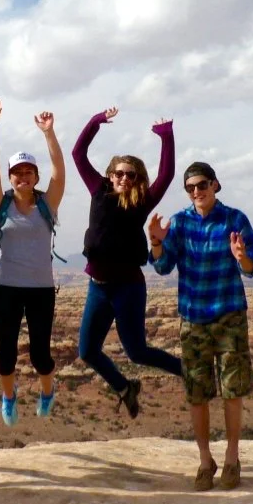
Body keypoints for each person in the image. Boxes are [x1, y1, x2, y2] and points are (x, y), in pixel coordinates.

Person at [149, 162, 253, 491]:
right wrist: (157, 242)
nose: (196, 191)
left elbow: (252, 267)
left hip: (228, 315)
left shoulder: (234, 219)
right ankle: (204, 460)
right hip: (193, 318)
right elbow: (163, 266)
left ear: (215, 184)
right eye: (190, 187)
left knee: (232, 391)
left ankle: (231, 458)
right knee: (197, 395)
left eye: (201, 185)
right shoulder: (181, 222)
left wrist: (240, 256)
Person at [74, 107, 181, 418]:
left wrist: (166, 136)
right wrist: (94, 122)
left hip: (128, 288)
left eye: (130, 175)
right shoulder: (98, 190)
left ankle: (191, 372)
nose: (123, 178)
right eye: (118, 173)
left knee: (137, 351)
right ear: (110, 175)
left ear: (138, 180)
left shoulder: (143, 201)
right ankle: (124, 387)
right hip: (98, 287)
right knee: (88, 352)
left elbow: (167, 175)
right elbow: (78, 153)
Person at [0, 98, 66, 426]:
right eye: (17, 173)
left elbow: (59, 171)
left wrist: (49, 133)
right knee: (6, 356)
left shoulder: (48, 204)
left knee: (41, 355)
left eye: (28, 172)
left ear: (35, 176)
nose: (22, 177)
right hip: (9, 288)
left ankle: (47, 391)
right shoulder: (0, 205)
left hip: (41, 290)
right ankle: (9, 395)